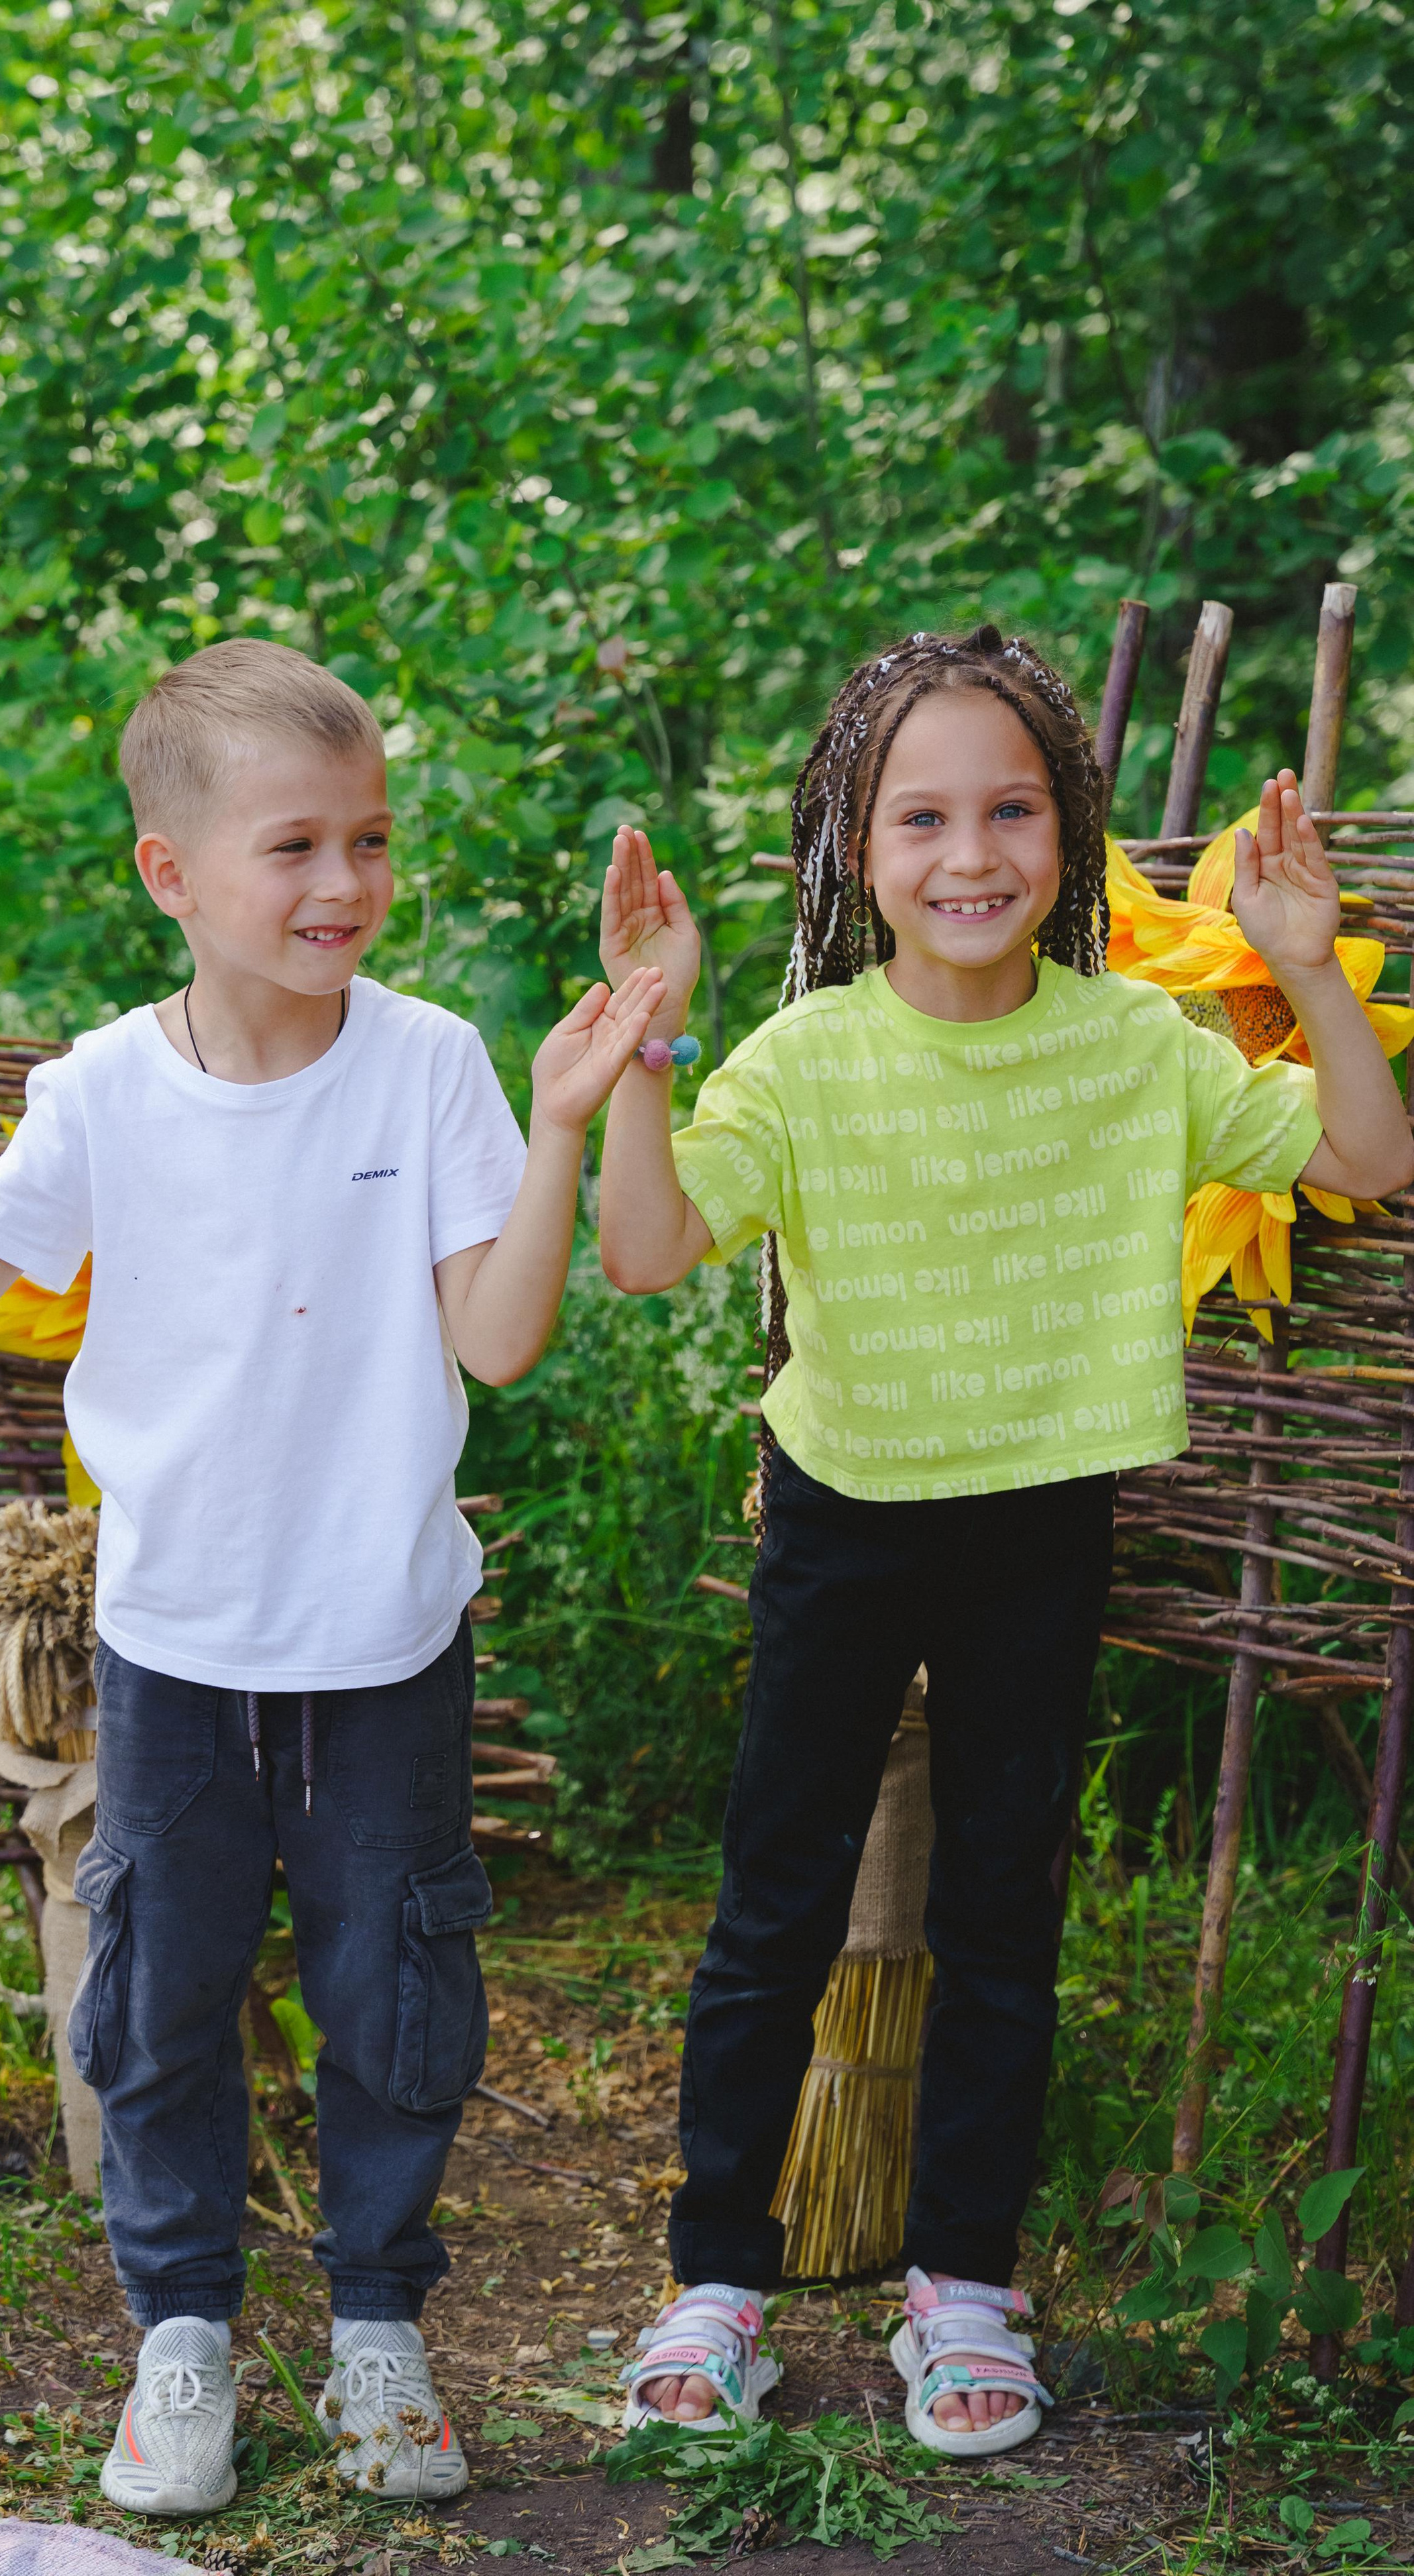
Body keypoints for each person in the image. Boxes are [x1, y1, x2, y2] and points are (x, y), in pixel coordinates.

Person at [0, 638, 668, 2516]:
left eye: (370, 841)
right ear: (173, 873)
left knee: (399, 1992)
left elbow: (499, 1341)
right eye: (295, 846)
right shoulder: (99, 1100)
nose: (343, 886)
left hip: (387, 1643)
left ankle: (380, 2323)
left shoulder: (431, 1068)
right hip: (174, 1655)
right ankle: (185, 2337)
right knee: (156, 1997)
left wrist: (561, 1123)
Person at [595, 623, 1413, 2459]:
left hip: (1044, 1513)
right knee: (776, 1900)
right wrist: (645, 1045)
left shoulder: (1141, 1047)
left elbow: (1366, 1156)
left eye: (1013, 811)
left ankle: (964, 2287)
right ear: (856, 848)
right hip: (841, 1514)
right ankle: (713, 2274)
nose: (972, 857)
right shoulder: (804, 1064)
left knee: (999, 1910)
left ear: (1070, 833)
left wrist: (1304, 966)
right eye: (924, 819)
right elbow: (644, 1250)